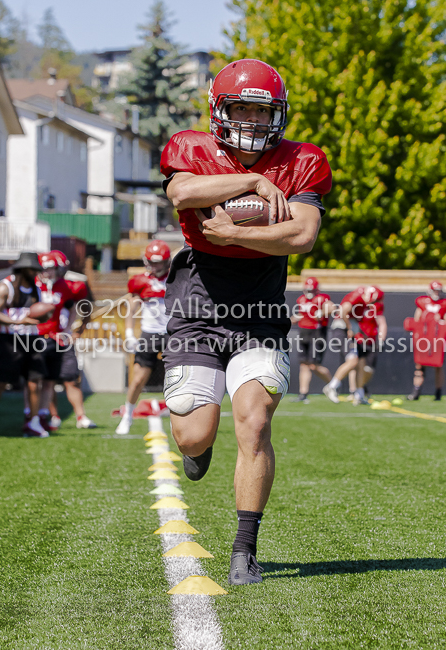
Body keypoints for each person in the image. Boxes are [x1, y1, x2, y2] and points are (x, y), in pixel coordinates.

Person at [160, 58, 332, 585]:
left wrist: (235, 233)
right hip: (197, 302)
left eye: (263, 111)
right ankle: (199, 448)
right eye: (243, 109)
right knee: (192, 432)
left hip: (260, 306)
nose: (254, 122)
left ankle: (244, 549)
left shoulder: (303, 160)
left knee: (255, 424)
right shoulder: (191, 148)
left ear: (278, 114)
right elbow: (182, 194)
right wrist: (253, 181)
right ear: (220, 111)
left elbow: (302, 235)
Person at [0, 252, 48, 438]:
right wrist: (20, 322)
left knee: (34, 381)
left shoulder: (37, 289)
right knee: (0, 382)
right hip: (10, 340)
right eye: (32, 269)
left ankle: (34, 421)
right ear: (23, 269)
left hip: (31, 340)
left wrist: (43, 316)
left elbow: (41, 313)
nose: (35, 273)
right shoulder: (5, 287)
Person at [37, 250, 97, 430]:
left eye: (57, 267)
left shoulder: (70, 286)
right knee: (46, 380)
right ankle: (51, 416)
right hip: (39, 337)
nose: (56, 271)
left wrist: (75, 330)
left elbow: (85, 310)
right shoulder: (35, 285)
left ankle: (81, 416)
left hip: (62, 338)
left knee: (71, 378)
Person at [116, 240, 171, 435]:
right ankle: (127, 416)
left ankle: (177, 418)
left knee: (176, 378)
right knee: (138, 378)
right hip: (150, 331)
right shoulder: (139, 280)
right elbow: (132, 307)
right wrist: (130, 334)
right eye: (151, 262)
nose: (154, 266)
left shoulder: (176, 278)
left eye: (158, 262)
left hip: (173, 333)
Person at [323, 286, 387, 406]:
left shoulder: (364, 302)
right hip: (342, 329)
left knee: (361, 362)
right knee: (353, 361)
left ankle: (360, 394)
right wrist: (349, 328)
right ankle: (332, 386)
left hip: (350, 330)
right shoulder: (357, 296)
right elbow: (343, 311)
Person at [407, 281, 446, 401]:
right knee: (419, 366)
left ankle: (438, 392)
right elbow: (416, 320)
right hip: (423, 339)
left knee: (438, 365)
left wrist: (441, 323)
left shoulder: (445, 305)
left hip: (437, 340)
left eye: (439, 290)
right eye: (435, 290)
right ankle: (416, 390)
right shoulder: (422, 303)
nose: (437, 293)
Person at [291, 277, 334, 403]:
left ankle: (333, 385)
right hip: (304, 332)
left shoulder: (322, 298)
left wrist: (322, 312)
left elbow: (331, 308)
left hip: (317, 332)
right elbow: (302, 314)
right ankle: (303, 394)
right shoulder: (301, 299)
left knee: (314, 365)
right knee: (304, 364)